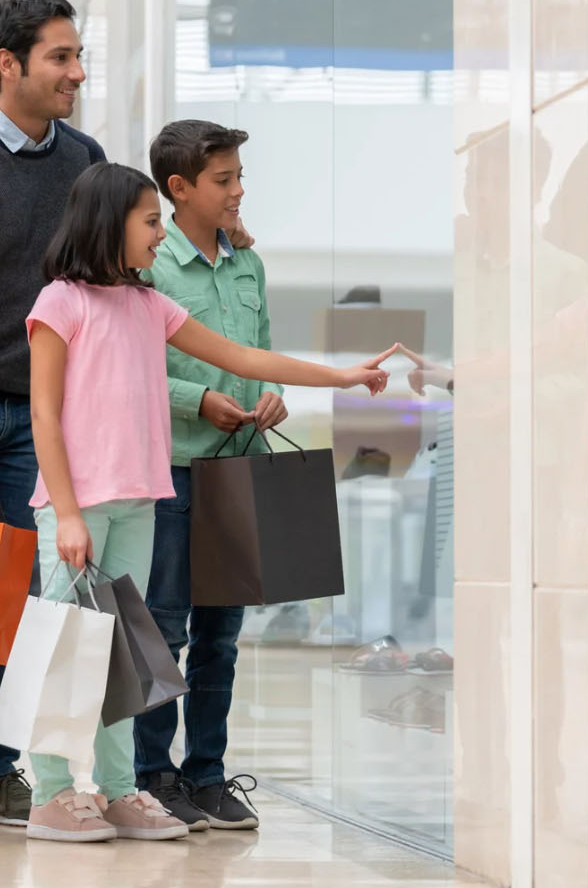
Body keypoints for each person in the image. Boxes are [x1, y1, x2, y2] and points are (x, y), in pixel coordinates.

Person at [0, 0, 257, 832]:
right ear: (6, 65)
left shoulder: (82, 155)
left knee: (17, 603)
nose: (77, 73)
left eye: (77, 55)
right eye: (60, 57)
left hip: (42, 417)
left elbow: (103, 270)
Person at [23, 162, 393, 843]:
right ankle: (49, 793)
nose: (158, 233)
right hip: (77, 506)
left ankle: (114, 790)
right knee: (64, 648)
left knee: (121, 657)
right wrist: (67, 513)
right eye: (148, 221)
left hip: (138, 501)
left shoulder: (147, 306)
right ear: (109, 224)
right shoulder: (59, 303)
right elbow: (43, 418)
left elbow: (243, 359)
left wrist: (340, 374)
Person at [132, 119, 282, 831]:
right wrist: (197, 400)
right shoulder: (147, 265)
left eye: (237, 177)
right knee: (161, 631)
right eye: (223, 180)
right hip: (170, 473)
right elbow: (126, 370)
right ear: (179, 188)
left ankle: (208, 775)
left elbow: (263, 353)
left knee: (220, 637)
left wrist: (270, 397)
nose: (237, 191)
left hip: (239, 477)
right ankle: (150, 777)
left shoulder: (248, 265)